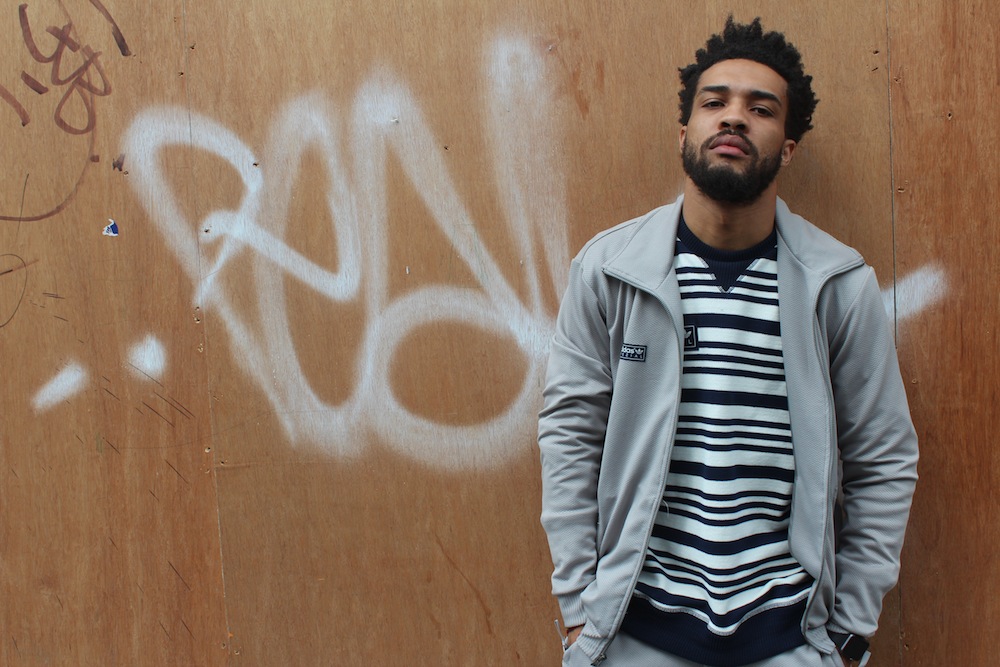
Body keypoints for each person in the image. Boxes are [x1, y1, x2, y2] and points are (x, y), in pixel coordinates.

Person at [538, 16, 918, 667]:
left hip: (790, 638)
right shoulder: (609, 271)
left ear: (787, 148)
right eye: (714, 102)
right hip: (635, 634)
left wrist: (850, 632)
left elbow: (883, 456)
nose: (734, 117)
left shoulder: (837, 285)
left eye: (760, 109)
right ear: (684, 133)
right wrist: (579, 609)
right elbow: (570, 434)